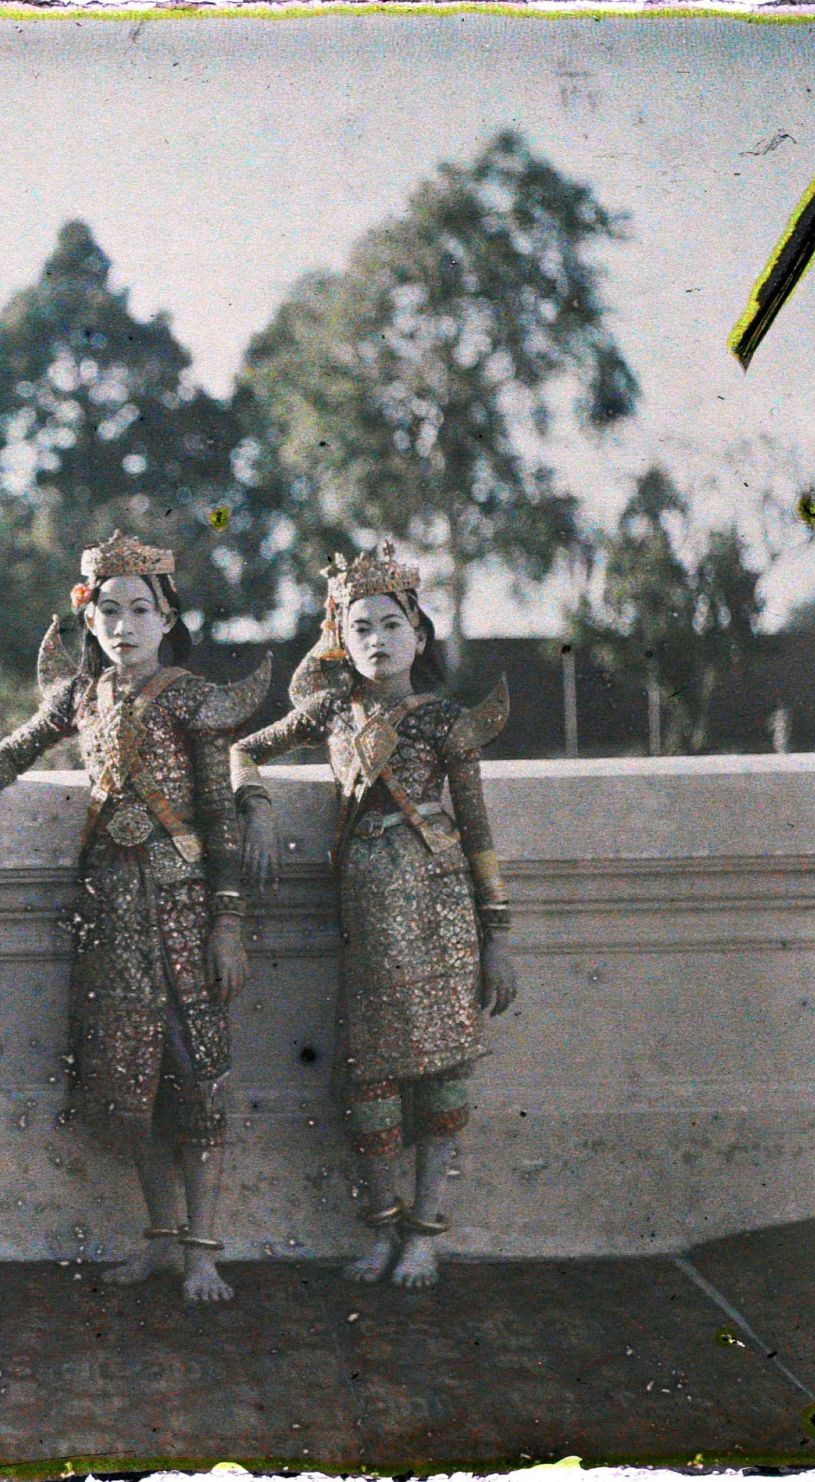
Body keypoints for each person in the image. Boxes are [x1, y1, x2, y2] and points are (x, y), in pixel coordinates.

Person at [0, 531, 267, 1303]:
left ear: (167, 617)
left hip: (182, 908)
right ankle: (158, 1239)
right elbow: (14, 750)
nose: (124, 626)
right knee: (131, 1083)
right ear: (89, 622)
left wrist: (227, 924)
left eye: (140, 611)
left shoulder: (189, 699)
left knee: (193, 1079)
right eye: (108, 612)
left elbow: (216, 818)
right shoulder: (81, 696)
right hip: (109, 904)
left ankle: (204, 1251)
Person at [231, 542, 517, 1289]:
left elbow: (479, 835)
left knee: (442, 1076)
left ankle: (426, 1234)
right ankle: (383, 1231)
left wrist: (500, 939)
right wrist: (255, 808)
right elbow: (244, 749)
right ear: (340, 639)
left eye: (391, 625)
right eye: (359, 628)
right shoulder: (329, 709)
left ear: (418, 637)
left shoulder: (448, 724)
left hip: (441, 910)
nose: (376, 641)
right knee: (370, 1081)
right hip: (364, 920)